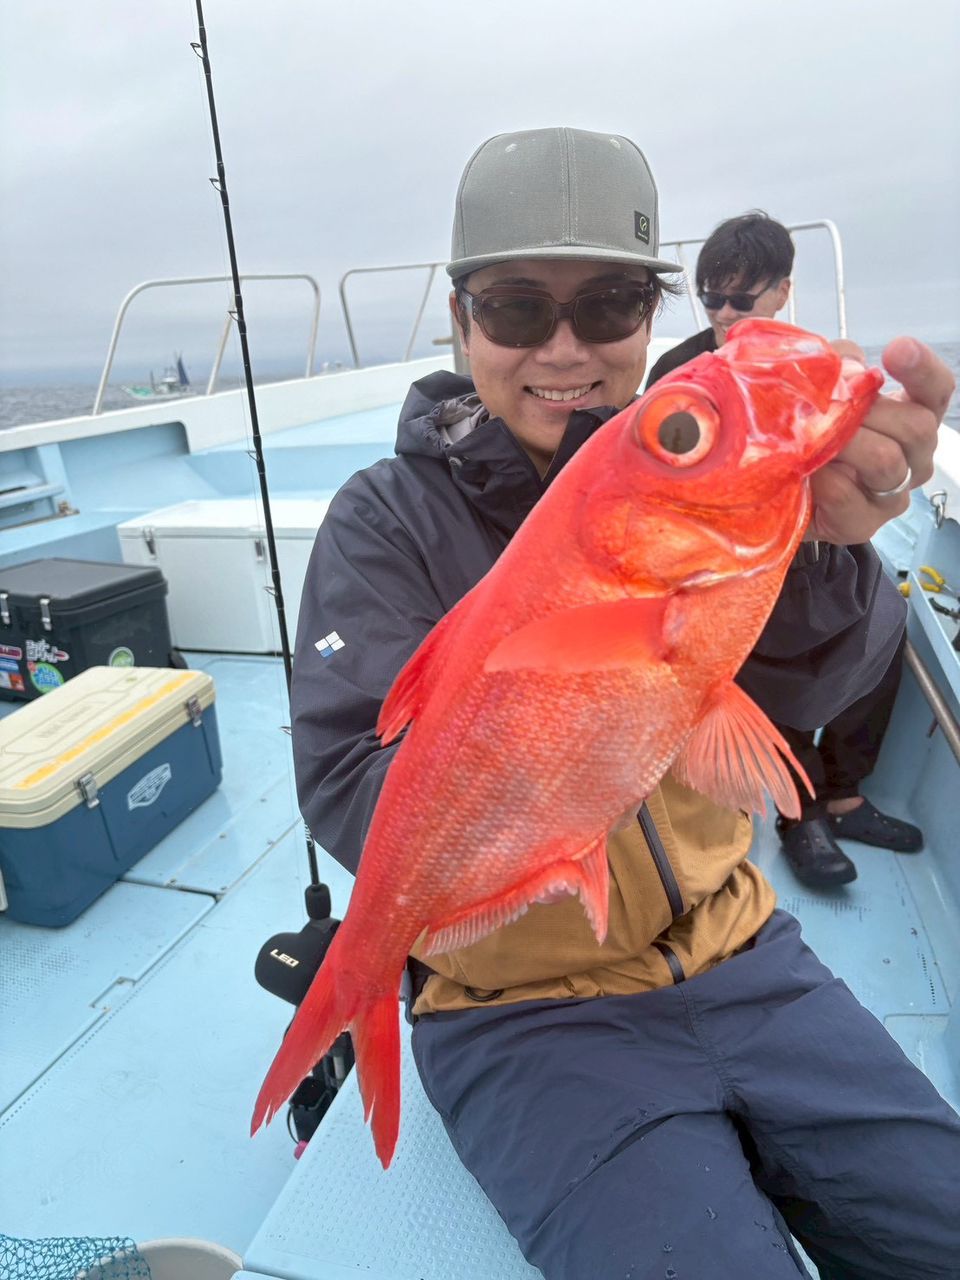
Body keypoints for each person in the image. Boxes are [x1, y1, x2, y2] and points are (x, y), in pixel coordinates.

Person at [290, 129, 959, 1279]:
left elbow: (826, 684)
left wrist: (827, 545)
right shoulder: (382, 519)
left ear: (648, 320)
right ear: (461, 321)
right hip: (520, 1009)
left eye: (606, 304)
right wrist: (540, 764)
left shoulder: (711, 495)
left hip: (747, 947)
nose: (565, 348)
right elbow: (348, 784)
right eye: (515, 305)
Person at [647, 212, 923, 889]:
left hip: (821, 550)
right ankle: (799, 817)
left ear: (782, 292)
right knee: (779, 667)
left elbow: (858, 464)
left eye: (743, 297)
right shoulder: (677, 375)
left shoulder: (814, 363)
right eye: (713, 295)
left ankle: (845, 795)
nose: (725, 312)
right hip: (737, 562)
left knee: (887, 630)